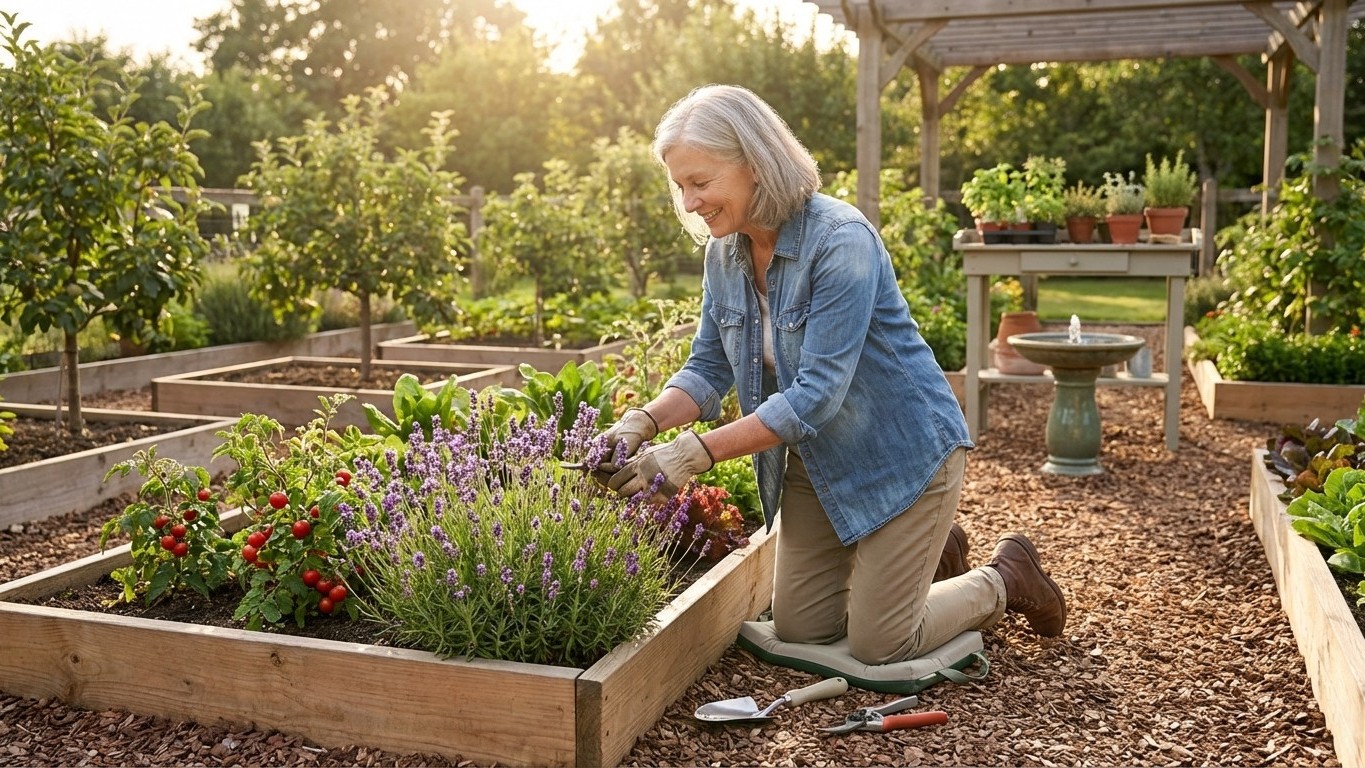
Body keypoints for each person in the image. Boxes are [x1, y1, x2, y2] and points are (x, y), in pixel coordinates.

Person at [597, 84, 1065, 665]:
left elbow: (815, 396)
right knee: (800, 630)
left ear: (756, 166)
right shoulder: (725, 255)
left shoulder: (840, 241)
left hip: (906, 454)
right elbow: (708, 368)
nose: (689, 202)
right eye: (680, 186)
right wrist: (640, 422)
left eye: (701, 182)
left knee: (881, 644)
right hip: (819, 462)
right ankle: (935, 555)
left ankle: (1005, 577)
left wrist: (693, 454)